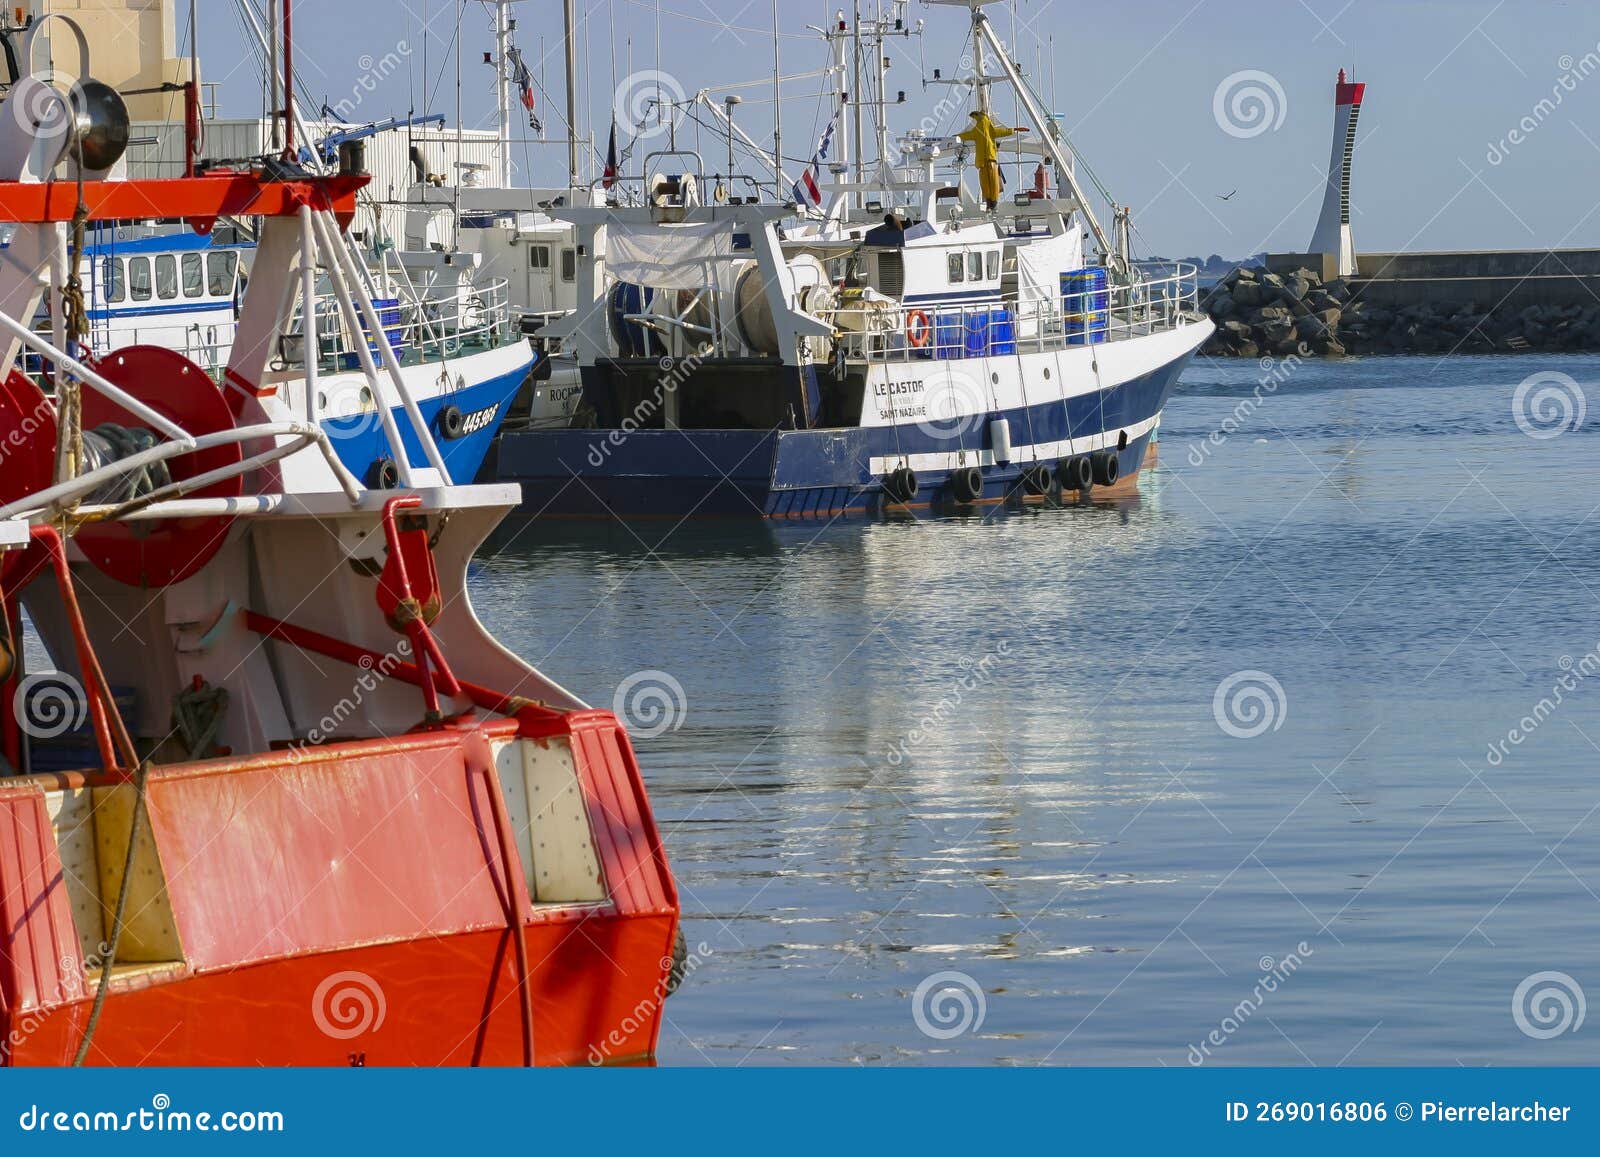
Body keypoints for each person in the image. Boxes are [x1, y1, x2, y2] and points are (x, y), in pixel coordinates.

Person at [957, 110, 1025, 210]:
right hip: (991, 162)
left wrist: (956, 137)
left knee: (986, 184)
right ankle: (993, 202)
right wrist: (1015, 129)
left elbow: (965, 136)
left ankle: (990, 202)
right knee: (993, 184)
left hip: (982, 163)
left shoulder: (976, 131)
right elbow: (1003, 131)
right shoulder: (990, 129)